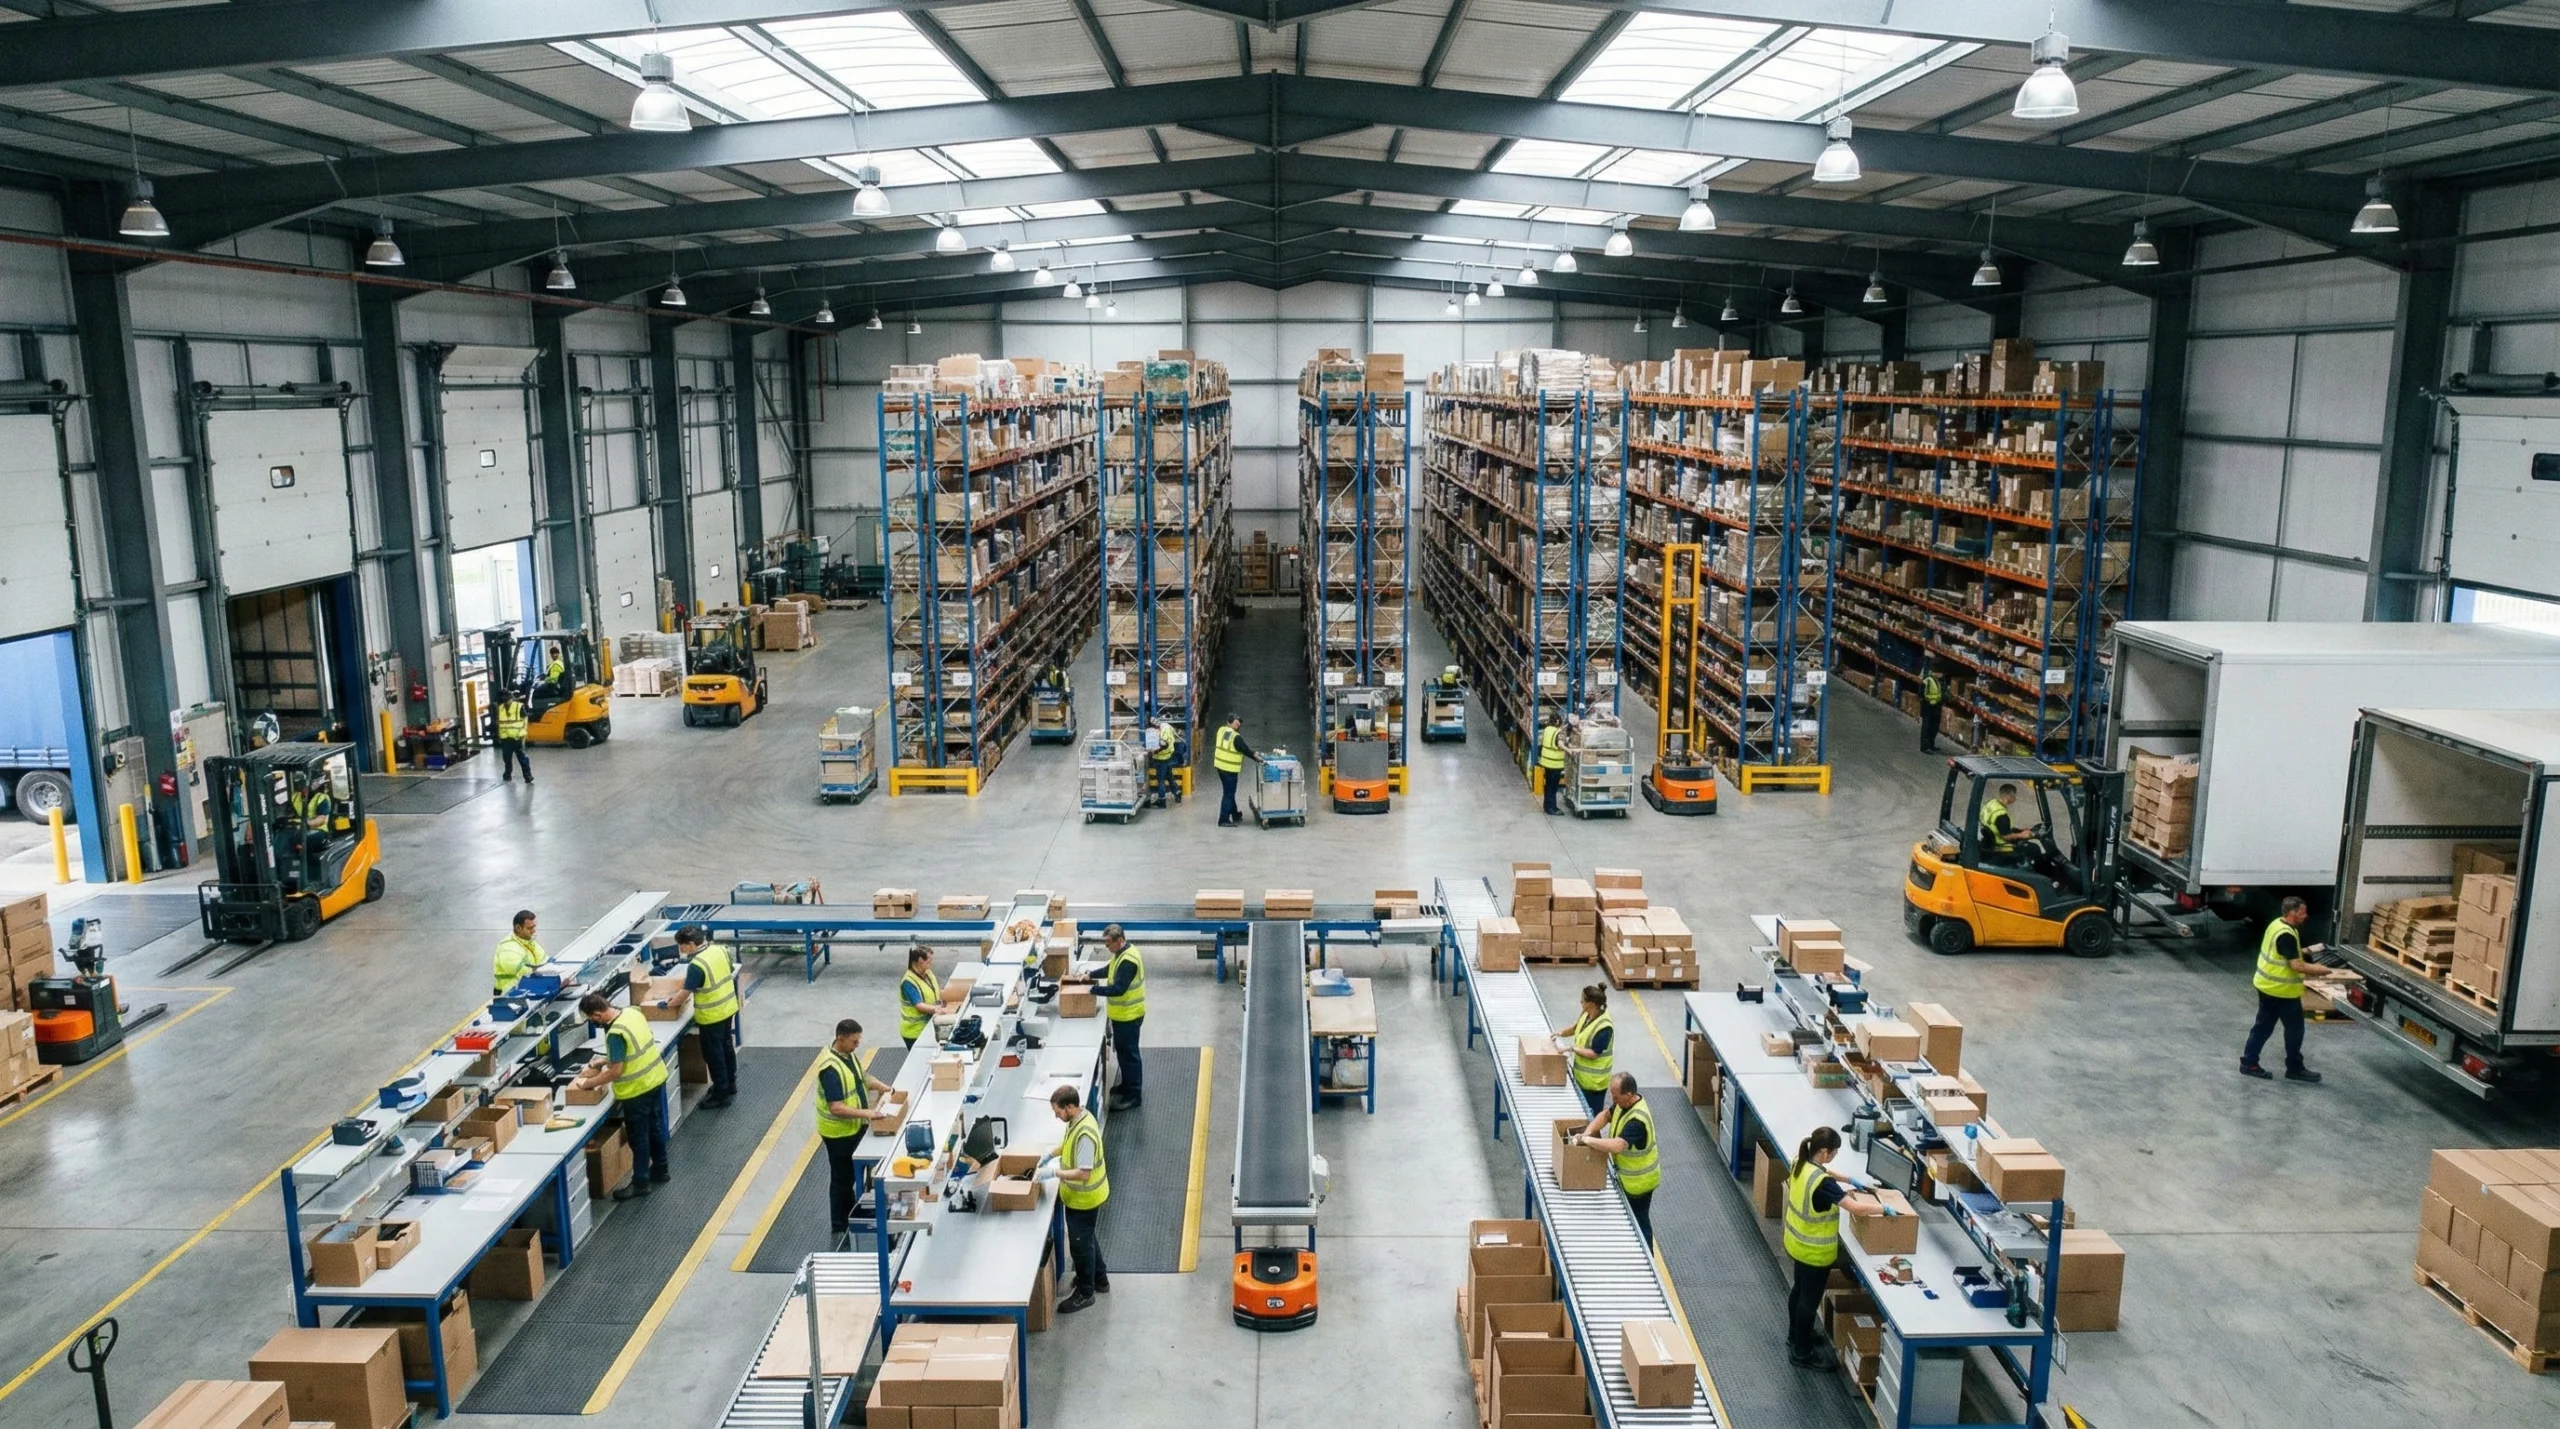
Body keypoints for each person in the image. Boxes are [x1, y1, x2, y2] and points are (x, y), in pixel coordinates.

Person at [1783, 1126, 1882, 1370]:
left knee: (1798, 1291)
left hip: (1796, 1243)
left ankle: (1795, 1335)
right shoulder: (1822, 1184)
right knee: (1808, 1300)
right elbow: (1856, 1209)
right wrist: (1885, 1209)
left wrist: (1848, 1180)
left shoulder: (1801, 1161)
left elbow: (1823, 1172)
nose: (1835, 1156)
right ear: (1825, 1152)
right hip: (1814, 1253)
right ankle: (1802, 1353)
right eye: (1835, 1152)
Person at [571, 991, 670, 1199]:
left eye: (592, 1020)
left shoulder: (615, 1033)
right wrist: (605, 1060)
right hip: (655, 1078)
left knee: (639, 1138)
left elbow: (616, 1072)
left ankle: (641, 1183)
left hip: (636, 1090)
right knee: (655, 1128)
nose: (594, 1023)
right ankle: (661, 1170)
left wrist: (588, 1084)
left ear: (597, 1015)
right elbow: (634, 1048)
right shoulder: (632, 1013)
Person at [816, 1018, 900, 1241]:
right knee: (842, 1179)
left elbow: (862, 1077)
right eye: (854, 1041)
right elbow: (836, 1107)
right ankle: (839, 1224)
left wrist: (884, 1087)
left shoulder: (847, 1055)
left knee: (853, 1177)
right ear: (840, 1038)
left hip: (854, 1128)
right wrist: (870, 1114)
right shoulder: (830, 1069)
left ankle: (852, 1210)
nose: (857, 1045)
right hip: (839, 1133)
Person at [2242, 896, 2327, 1083]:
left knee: (2268, 1027)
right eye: (2303, 912)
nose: (2306, 916)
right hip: (2279, 990)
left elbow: (2284, 951)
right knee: (2290, 1029)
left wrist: (2308, 950)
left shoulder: (2277, 924)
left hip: (2269, 987)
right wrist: (2324, 971)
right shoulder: (2286, 934)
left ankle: (2252, 1062)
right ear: (2292, 913)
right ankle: (2288, 1067)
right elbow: (2297, 966)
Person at [1043, 1084, 1110, 1313]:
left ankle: (1086, 1292)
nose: (1056, 1115)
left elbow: (1084, 1173)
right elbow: (1068, 1143)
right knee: (1087, 1238)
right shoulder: (1079, 1118)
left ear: (1069, 1107)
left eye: (1058, 1111)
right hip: (1078, 1198)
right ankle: (1099, 1279)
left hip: (1084, 1199)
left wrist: (1054, 1172)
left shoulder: (1085, 1136)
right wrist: (1051, 1154)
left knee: (1080, 1246)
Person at [1574, 1073, 1660, 1243]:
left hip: (1639, 1183)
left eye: (1615, 1096)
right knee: (1634, 1222)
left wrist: (1588, 1140)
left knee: (1640, 1223)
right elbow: (1605, 1115)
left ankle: (1649, 1257)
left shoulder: (1637, 1121)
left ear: (1628, 1095)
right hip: (1628, 1178)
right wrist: (1587, 1131)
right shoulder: (1623, 1104)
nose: (1613, 1099)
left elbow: (1618, 1146)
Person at [666, 925, 740, 1108]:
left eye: (682, 946)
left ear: (691, 944)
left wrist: (668, 1004)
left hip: (711, 1016)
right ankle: (730, 1084)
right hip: (728, 1008)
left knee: (714, 1056)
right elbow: (729, 971)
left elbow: (685, 993)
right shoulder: (720, 950)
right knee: (726, 1048)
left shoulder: (697, 965)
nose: (681, 950)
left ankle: (720, 1094)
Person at [1099, 924, 1145, 1111]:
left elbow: (1118, 989)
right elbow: (1109, 970)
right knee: (1124, 1055)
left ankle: (1134, 1095)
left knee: (1129, 1055)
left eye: (1108, 943)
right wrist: (1088, 976)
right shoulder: (1121, 954)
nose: (1106, 947)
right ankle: (1127, 1086)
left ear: (1119, 940)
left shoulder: (1128, 961)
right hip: (1122, 1016)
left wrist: (1093, 990)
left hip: (1129, 1016)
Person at [1557, 984, 1613, 1115]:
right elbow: (1577, 1027)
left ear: (1591, 1004)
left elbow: (1594, 1054)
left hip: (1594, 1084)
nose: (1580, 1001)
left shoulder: (1604, 1027)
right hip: (1581, 1078)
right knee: (1580, 1114)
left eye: (1583, 999)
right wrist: (1559, 1033)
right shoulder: (1587, 1014)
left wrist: (1571, 1048)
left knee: (1590, 1116)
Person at [1212, 714, 1256, 827]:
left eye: (1239, 722)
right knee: (1228, 794)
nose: (1238, 724)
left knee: (1229, 792)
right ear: (1229, 722)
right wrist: (1257, 758)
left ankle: (1235, 815)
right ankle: (1223, 819)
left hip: (1220, 767)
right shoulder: (1236, 737)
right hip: (1229, 770)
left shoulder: (1221, 730)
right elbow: (1245, 750)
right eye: (1236, 722)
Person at [898, 945, 939, 1049]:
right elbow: (919, 1005)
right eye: (929, 961)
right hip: (914, 1032)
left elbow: (934, 991)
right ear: (920, 960)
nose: (931, 963)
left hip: (928, 1025)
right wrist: (938, 1010)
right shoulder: (908, 982)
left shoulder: (928, 973)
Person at [492, 910, 543, 994]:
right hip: (509, 993)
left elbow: (544, 960)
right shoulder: (507, 947)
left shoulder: (528, 941)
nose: (534, 931)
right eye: (530, 928)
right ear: (518, 928)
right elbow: (522, 973)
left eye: (534, 927)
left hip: (525, 988)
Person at [1979, 782, 2029, 862]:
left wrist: (2020, 830)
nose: (2015, 798)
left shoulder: (1992, 803)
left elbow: (1998, 826)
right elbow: (2005, 836)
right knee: (2032, 848)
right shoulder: (2001, 815)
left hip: (1989, 839)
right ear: (2009, 796)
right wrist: (2022, 835)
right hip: (2000, 845)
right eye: (2014, 796)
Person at [493, 695, 533, 784]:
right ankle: (507, 775)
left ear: (511, 699)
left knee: (522, 758)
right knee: (507, 758)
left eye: (507, 701)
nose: (506, 703)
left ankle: (528, 776)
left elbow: (524, 719)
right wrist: (499, 736)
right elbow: (499, 723)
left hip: (517, 737)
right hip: (506, 738)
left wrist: (523, 732)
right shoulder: (500, 708)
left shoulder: (518, 706)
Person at [1148, 715, 1181, 809]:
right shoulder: (1166, 725)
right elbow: (1175, 733)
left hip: (1161, 758)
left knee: (1161, 780)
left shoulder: (1160, 734)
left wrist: (1154, 751)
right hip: (1169, 755)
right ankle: (1177, 793)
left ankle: (1162, 801)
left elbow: (1164, 745)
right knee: (1169, 775)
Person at [1537, 717, 1568, 815]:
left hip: (1546, 761)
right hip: (1555, 763)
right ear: (1558, 722)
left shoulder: (1546, 729)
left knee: (1548, 784)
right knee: (1553, 787)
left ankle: (1546, 806)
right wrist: (1569, 750)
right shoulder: (1557, 732)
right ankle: (1552, 808)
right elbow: (1559, 744)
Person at [1919, 664, 1945, 754]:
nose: (1942, 674)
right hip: (1928, 707)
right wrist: (1928, 702)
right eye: (1940, 672)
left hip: (1936, 707)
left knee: (1934, 727)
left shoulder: (1937, 681)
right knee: (1926, 727)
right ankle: (1925, 747)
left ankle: (1931, 745)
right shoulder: (1928, 681)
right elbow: (1922, 694)